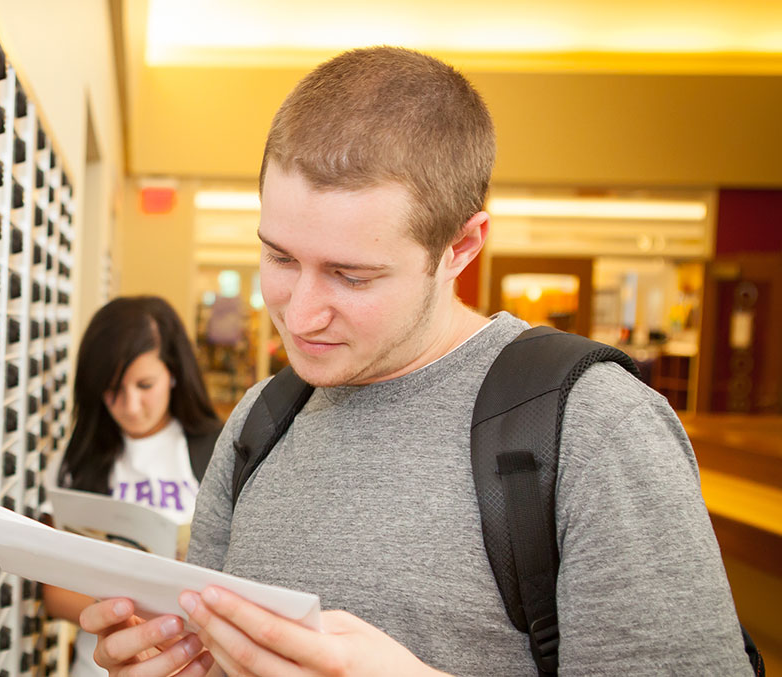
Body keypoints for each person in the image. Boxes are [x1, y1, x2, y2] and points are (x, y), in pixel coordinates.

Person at [77, 46, 753, 676]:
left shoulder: (595, 427)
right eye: (280, 257)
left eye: (352, 275)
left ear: (462, 246)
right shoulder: (263, 418)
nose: (300, 312)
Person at [41, 295, 223, 676]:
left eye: (145, 384)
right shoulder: (76, 462)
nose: (131, 405)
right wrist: (134, 617)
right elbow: (54, 594)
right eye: (113, 389)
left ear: (172, 372)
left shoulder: (218, 453)